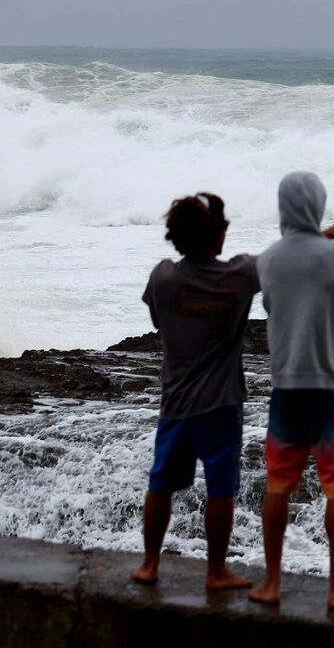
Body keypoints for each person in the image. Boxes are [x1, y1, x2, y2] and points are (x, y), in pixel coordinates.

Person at [247, 172, 334, 611]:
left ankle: (270, 584)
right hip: (333, 389)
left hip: (287, 387)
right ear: (319, 205)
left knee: (278, 486)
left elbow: (272, 302)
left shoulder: (268, 260)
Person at [131, 193, 258, 591]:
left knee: (161, 483)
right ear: (217, 237)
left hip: (176, 402)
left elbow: (156, 319)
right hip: (221, 404)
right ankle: (216, 572)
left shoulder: (164, 278)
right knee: (220, 488)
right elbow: (291, 256)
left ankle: (150, 564)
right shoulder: (239, 277)